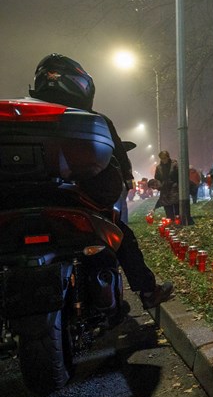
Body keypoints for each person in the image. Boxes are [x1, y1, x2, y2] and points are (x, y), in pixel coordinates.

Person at [29, 53, 173, 309]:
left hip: (22, 205)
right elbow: (114, 163)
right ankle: (148, 291)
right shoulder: (92, 121)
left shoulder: (24, 116)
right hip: (79, 206)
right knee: (122, 236)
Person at [153, 150, 180, 219]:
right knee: (167, 207)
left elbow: (178, 176)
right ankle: (170, 220)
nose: (163, 160)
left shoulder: (174, 165)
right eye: (162, 158)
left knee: (176, 206)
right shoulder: (159, 167)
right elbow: (157, 178)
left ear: (168, 157)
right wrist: (159, 185)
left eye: (165, 158)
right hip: (164, 189)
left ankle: (178, 220)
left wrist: (175, 184)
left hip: (174, 188)